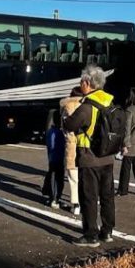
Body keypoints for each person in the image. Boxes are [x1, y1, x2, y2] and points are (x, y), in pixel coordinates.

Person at [64, 64, 118, 247]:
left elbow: (70, 125)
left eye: (82, 81)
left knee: (89, 197)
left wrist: (65, 118)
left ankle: (90, 235)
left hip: (89, 158)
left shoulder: (87, 106)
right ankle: (107, 231)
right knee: (107, 196)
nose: (80, 84)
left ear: (87, 83)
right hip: (108, 157)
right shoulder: (109, 102)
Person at [59, 87, 83, 215]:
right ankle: (87, 201)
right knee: (85, 177)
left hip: (70, 146)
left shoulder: (65, 108)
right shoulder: (85, 106)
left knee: (73, 178)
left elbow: (63, 128)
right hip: (84, 145)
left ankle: (76, 205)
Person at [42, 110, 65, 208]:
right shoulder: (57, 132)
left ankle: (53, 196)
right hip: (57, 158)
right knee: (57, 179)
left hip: (53, 158)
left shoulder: (51, 131)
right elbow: (53, 146)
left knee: (54, 176)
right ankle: (54, 198)